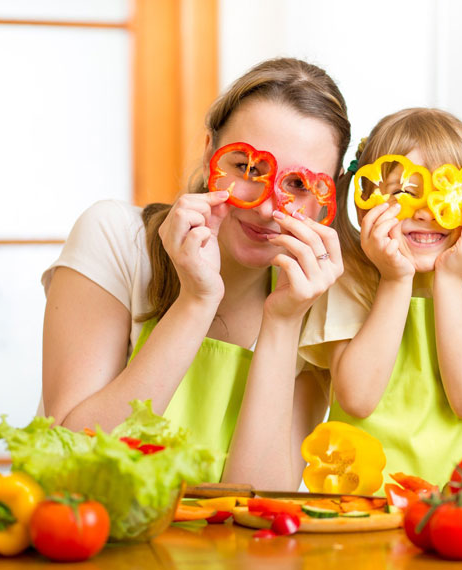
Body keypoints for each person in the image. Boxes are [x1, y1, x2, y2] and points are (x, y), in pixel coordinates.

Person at [41, 58, 351, 490]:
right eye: (246, 167)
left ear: (328, 194)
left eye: (298, 185)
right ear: (210, 153)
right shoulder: (113, 237)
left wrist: (282, 322)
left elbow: (258, 507)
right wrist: (195, 302)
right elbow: (65, 465)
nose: (265, 208)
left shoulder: (316, 301)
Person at [299, 108, 462, 488]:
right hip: (364, 497)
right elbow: (358, 398)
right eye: (403, 192)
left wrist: (451, 279)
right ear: (366, 198)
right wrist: (394, 279)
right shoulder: (346, 275)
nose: (427, 212)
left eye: (444, 192)